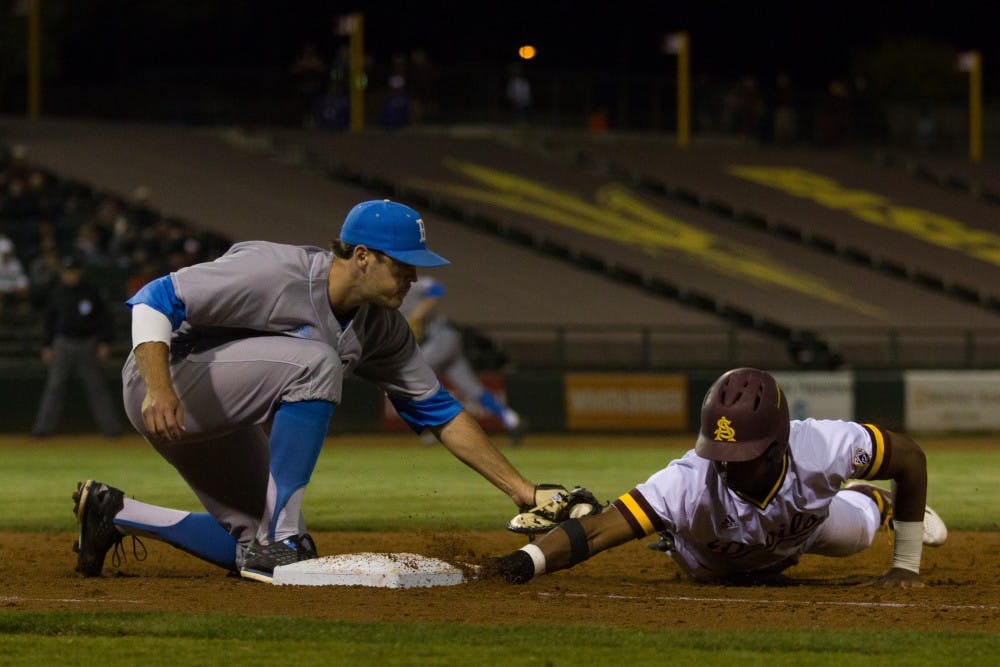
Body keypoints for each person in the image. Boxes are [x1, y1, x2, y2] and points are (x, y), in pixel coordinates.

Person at [71, 199, 578, 583]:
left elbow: (438, 411)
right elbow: (152, 300)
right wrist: (158, 389)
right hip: (165, 381)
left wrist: (522, 490)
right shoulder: (274, 271)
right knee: (316, 363)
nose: (414, 276)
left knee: (250, 544)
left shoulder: (383, 327)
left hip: (216, 409)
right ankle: (282, 539)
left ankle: (113, 512)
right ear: (361, 256)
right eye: (403, 264)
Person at [494, 367, 948, 588]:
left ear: (777, 445)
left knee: (861, 534)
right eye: (719, 451)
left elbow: (909, 458)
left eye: (741, 454)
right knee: (709, 574)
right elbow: (595, 532)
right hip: (712, 565)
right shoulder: (689, 481)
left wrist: (904, 567)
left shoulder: (824, 447)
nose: (726, 464)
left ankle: (877, 503)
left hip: (805, 532)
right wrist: (524, 561)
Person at [400, 276, 526, 445]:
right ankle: (513, 420)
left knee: (413, 377)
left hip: (442, 337)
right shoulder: (387, 305)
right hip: (439, 344)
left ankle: (440, 427)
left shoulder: (411, 284)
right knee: (472, 389)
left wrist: (416, 315)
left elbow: (437, 289)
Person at [31, 255, 123, 438]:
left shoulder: (91, 292)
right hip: (63, 343)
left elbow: (104, 319)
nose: (70, 275)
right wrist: (47, 344)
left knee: (96, 388)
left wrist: (104, 341)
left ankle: (111, 430)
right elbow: (49, 321)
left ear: (79, 272)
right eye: (67, 272)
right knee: (54, 387)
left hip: (87, 343)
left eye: (73, 272)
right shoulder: (57, 292)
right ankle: (43, 429)